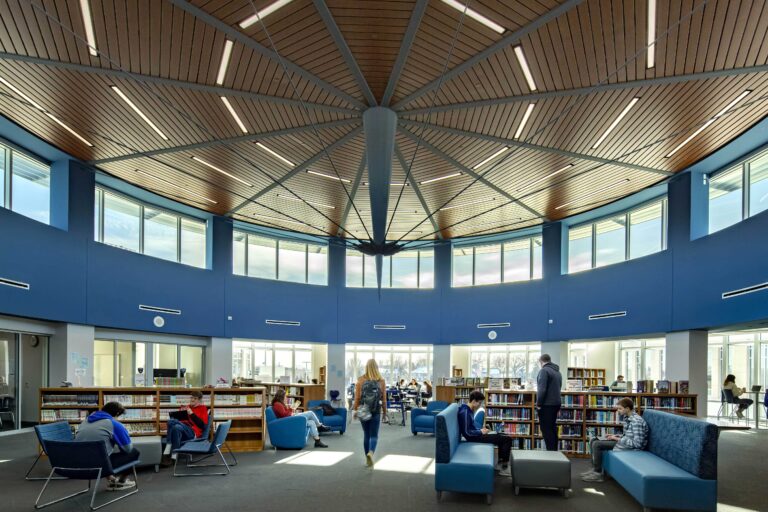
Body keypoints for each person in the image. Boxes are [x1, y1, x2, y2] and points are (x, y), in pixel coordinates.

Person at [76, 401, 140, 490]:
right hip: (100, 467)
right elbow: (128, 449)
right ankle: (121, 482)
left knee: (101, 452)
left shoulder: (85, 422)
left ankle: (112, 480)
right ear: (117, 413)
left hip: (77, 464)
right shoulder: (114, 424)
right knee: (134, 452)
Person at [582, 398, 648, 482]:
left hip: (632, 448)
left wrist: (617, 438)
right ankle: (594, 469)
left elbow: (637, 444)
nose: (618, 411)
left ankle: (598, 474)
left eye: (620, 408)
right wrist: (615, 436)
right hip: (624, 443)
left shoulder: (636, 422)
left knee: (597, 444)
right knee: (593, 440)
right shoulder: (627, 418)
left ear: (627, 409)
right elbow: (628, 435)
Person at [458, 390, 512, 475]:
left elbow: (470, 427)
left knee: (502, 435)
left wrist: (482, 429)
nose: (480, 405)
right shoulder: (465, 412)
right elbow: (467, 432)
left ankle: (500, 464)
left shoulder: (469, 409)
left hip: (477, 435)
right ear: (473, 401)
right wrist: (480, 432)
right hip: (475, 438)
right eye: (479, 403)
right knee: (507, 439)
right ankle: (504, 467)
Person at [353, 359, 388, 467]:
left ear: (366, 367)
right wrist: (385, 412)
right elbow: (384, 399)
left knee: (366, 434)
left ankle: (367, 458)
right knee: (374, 435)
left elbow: (357, 398)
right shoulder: (381, 381)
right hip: (375, 410)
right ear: (377, 367)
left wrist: (355, 410)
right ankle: (371, 453)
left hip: (363, 410)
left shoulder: (360, 380)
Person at [164, 390, 209, 462]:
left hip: (192, 432)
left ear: (199, 400)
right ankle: (174, 456)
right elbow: (179, 421)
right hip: (181, 429)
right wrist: (180, 414)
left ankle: (168, 444)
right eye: (191, 397)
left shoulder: (203, 408)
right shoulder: (186, 407)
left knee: (171, 422)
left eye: (195, 398)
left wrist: (192, 414)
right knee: (175, 427)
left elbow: (203, 426)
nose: (192, 399)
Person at [536, 354, 562, 451]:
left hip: (547, 405)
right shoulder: (557, 371)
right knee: (552, 428)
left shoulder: (544, 371)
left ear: (541, 361)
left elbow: (542, 389)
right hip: (556, 404)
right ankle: (554, 451)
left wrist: (538, 404)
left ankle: (551, 453)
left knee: (546, 430)